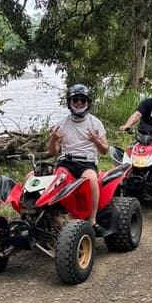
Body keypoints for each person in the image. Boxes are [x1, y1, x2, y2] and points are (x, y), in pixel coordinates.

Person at [41, 84, 109, 214]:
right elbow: (53, 152)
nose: (79, 103)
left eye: (82, 100)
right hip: (66, 162)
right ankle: (54, 213)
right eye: (75, 99)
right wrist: (54, 139)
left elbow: (105, 150)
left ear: (88, 103)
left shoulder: (95, 123)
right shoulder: (62, 123)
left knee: (91, 180)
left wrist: (96, 141)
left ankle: (92, 219)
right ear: (69, 102)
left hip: (87, 163)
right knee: (55, 180)